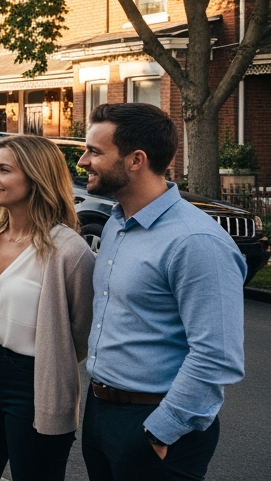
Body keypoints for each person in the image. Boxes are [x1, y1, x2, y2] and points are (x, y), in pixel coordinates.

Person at [76, 103, 245, 481]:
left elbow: (217, 356)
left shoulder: (196, 241)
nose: (83, 161)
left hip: (157, 424)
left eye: (95, 151)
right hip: (102, 413)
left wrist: (160, 430)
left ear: (136, 160)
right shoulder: (117, 224)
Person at [0, 135, 96, 480]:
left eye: (3, 170)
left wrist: (46, 360)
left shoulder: (69, 252)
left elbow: (81, 335)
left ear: (36, 178)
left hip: (34, 384)